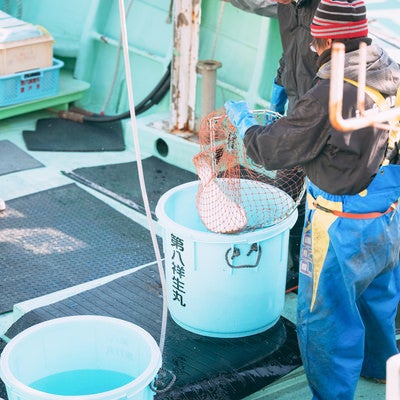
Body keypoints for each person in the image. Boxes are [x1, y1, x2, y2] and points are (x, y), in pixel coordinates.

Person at [224, 0, 400, 398]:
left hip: (339, 222)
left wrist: (246, 124)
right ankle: (380, 369)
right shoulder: (388, 66)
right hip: (388, 212)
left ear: (321, 41)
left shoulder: (327, 97)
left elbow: (271, 150)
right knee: (379, 297)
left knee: (326, 316)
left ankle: (332, 394)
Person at [228, 0, 320, 288]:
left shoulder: (328, 9)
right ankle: (292, 268)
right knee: (285, 195)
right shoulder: (286, 6)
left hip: (319, 115)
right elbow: (290, 52)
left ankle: (306, 273)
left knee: (313, 201)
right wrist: (279, 86)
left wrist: (248, 127)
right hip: (296, 107)